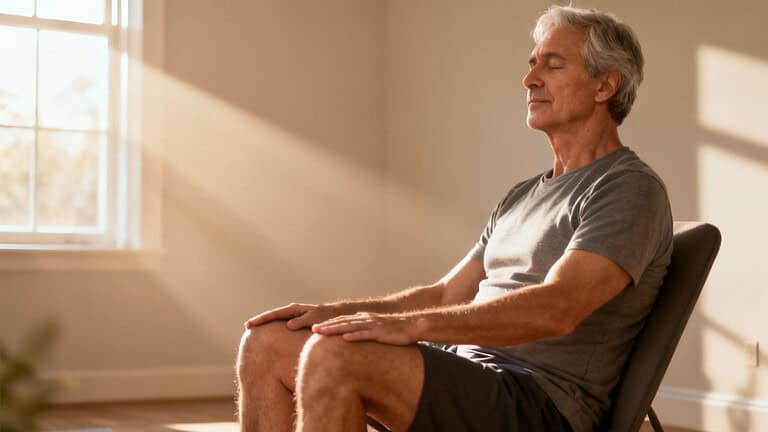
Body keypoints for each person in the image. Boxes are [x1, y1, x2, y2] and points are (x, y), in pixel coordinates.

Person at [236, 5, 672, 432]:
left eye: (552, 65)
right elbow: (446, 293)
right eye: (532, 64)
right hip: (471, 376)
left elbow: (558, 307)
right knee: (267, 342)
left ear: (604, 86)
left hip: (540, 401)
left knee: (335, 355)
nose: (529, 79)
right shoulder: (521, 196)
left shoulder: (627, 189)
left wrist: (409, 327)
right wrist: (336, 313)